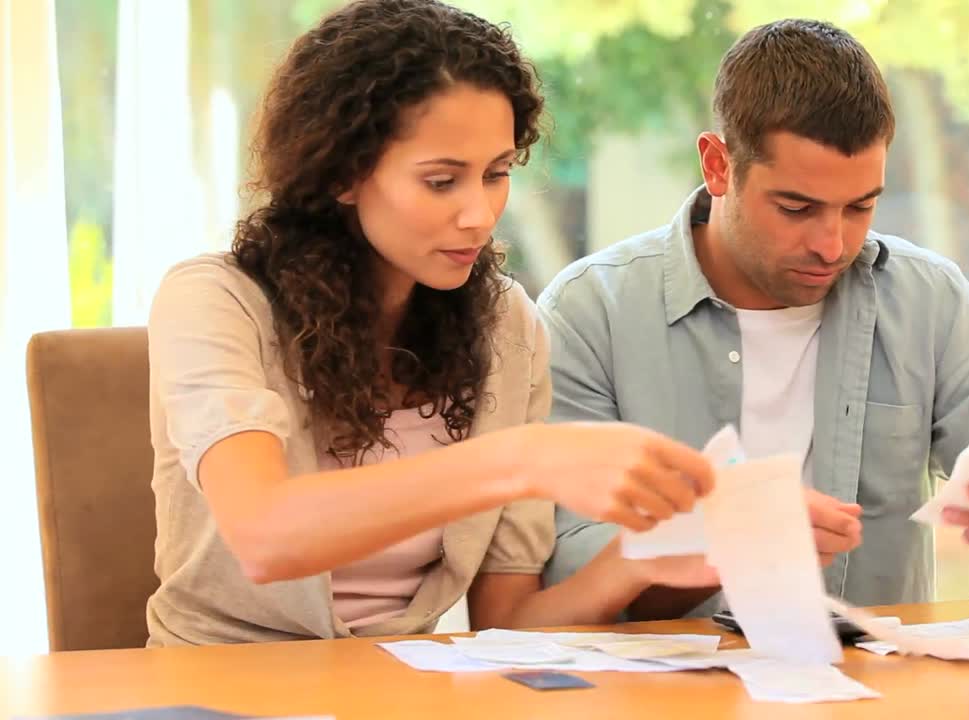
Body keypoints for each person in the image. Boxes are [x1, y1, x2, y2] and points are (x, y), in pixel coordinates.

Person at [145, 0, 717, 647]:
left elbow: (507, 625)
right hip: (218, 689)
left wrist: (640, 560)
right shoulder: (215, 299)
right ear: (342, 173)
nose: (480, 214)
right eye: (442, 181)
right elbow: (265, 536)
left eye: (497, 174)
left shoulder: (504, 326)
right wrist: (524, 459)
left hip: (400, 693)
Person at [540, 18, 969, 618]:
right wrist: (726, 539)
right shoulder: (592, 313)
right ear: (718, 166)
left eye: (860, 206)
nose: (832, 244)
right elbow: (563, 562)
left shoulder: (926, 302)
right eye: (797, 207)